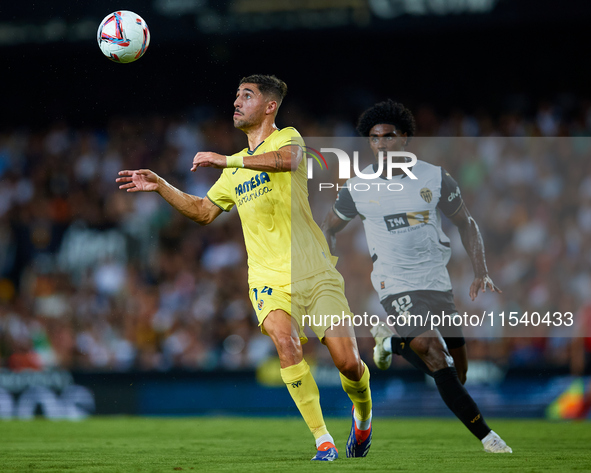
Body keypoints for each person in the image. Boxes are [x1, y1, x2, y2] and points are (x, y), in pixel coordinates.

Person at [117, 75, 372, 461]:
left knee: (349, 364)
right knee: (285, 344)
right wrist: (163, 186)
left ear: (270, 106)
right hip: (267, 277)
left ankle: (363, 416)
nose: (236, 102)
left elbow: (288, 163)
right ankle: (323, 440)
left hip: (315, 272)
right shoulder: (233, 174)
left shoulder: (288, 138)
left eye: (247, 96)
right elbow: (203, 211)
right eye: (236, 96)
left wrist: (228, 158)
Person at [322, 99, 512, 453]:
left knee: (458, 373)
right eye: (375, 138)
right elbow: (329, 227)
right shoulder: (357, 187)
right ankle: (489, 438)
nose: (382, 144)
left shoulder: (434, 176)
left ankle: (389, 343)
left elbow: (466, 223)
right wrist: (325, 262)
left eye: (390, 136)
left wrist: (480, 270)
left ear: (405, 138)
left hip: (437, 281)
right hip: (394, 282)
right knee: (433, 351)